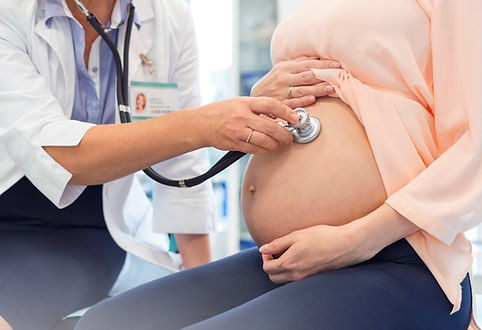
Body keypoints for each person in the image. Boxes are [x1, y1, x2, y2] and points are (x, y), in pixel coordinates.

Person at [74, 0, 481, 329]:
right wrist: (264, 96)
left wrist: (356, 239)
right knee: (105, 322)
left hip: (396, 254)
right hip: (289, 260)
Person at [0, 0, 303, 329]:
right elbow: (56, 152)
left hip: (97, 230)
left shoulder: (168, 14)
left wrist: (205, 292)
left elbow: (184, 166)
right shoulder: (11, 12)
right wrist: (201, 125)